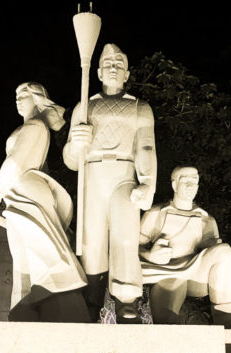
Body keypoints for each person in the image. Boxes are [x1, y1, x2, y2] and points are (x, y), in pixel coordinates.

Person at [63, 43, 156, 321]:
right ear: (99, 73)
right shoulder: (85, 105)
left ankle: (127, 296)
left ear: (127, 74)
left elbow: (146, 147)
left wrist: (148, 182)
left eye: (119, 63)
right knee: (91, 238)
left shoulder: (140, 107)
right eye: (107, 63)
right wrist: (76, 144)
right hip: (92, 174)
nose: (113, 67)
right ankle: (91, 294)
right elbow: (69, 159)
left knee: (125, 234)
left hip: (123, 174)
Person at [0, 82, 88, 322]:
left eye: (24, 94)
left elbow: (15, 161)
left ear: (38, 98)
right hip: (25, 190)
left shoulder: (34, 126)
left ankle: (55, 291)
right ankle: (25, 306)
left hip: (24, 188)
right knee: (25, 255)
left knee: (40, 250)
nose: (18, 98)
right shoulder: (37, 128)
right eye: (16, 95)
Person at [139, 166, 231, 328]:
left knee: (224, 251)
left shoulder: (206, 219)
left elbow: (216, 257)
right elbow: (131, 248)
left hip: (194, 271)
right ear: (174, 185)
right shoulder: (156, 213)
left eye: (194, 183)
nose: (190, 187)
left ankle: (226, 314)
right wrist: (149, 255)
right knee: (165, 320)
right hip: (164, 273)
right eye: (185, 182)